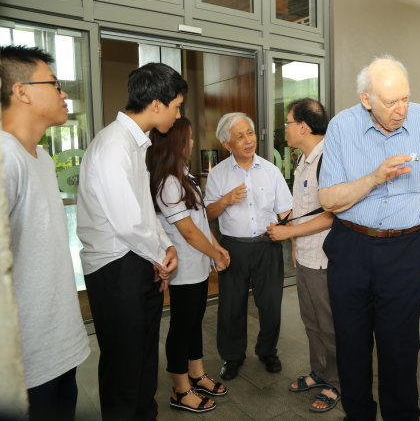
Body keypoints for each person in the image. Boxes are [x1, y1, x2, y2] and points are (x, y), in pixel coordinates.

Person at [318, 55, 420, 420]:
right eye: (390, 102)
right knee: (352, 347)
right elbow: (328, 199)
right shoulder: (341, 127)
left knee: (400, 348)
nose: (401, 109)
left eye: (405, 98)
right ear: (366, 99)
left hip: (404, 251)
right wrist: (374, 177)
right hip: (352, 247)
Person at [77, 62, 187, 421]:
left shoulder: (135, 142)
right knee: (124, 367)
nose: (178, 114)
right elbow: (126, 220)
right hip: (116, 266)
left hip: (136, 260)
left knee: (142, 360)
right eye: (177, 106)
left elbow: (142, 210)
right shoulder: (113, 145)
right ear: (156, 104)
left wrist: (165, 247)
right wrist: (160, 252)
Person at [0, 45, 90, 421]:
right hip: (24, 357)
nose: (64, 93)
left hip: (54, 343)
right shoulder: (5, 159)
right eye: (54, 84)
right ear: (21, 91)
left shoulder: (40, 157)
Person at [146, 117, 231, 414]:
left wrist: (216, 247)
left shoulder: (183, 174)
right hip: (183, 267)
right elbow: (188, 232)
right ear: (175, 142)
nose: (193, 143)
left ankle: (197, 373)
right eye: (189, 138)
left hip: (197, 264)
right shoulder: (167, 182)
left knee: (195, 322)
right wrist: (216, 254)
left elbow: (200, 220)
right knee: (182, 327)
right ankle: (180, 390)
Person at [204, 112, 292, 381]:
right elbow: (208, 214)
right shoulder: (218, 174)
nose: (248, 140)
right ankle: (233, 357)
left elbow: (286, 210)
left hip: (267, 246)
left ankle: (267, 351)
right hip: (233, 247)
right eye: (239, 136)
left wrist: (281, 228)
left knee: (270, 303)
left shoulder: (270, 170)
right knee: (231, 305)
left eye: (250, 133)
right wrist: (226, 200)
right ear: (227, 144)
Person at [266, 98, 340, 413]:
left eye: (288, 122)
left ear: (303, 127)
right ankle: (320, 372)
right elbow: (301, 210)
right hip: (307, 256)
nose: (285, 128)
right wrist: (295, 243)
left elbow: (331, 216)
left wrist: (287, 235)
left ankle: (337, 383)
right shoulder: (303, 159)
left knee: (330, 325)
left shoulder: (329, 160)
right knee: (311, 322)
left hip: (325, 260)